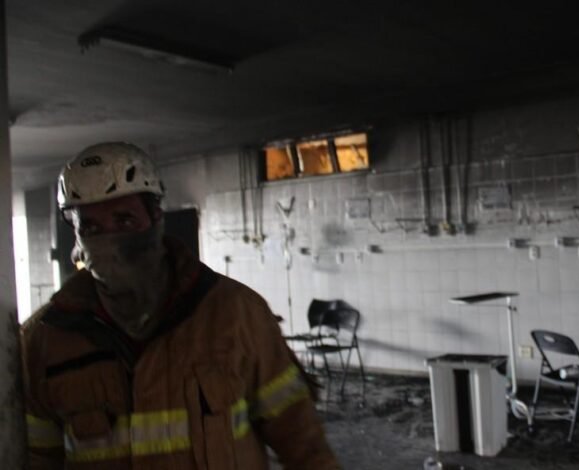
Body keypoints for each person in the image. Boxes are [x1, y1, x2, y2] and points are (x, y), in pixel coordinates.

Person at [21, 142, 340, 469]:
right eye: (91, 227)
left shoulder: (235, 313)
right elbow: (35, 458)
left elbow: (303, 442)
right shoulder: (45, 340)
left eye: (125, 220)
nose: (110, 240)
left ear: (156, 217)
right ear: (75, 234)